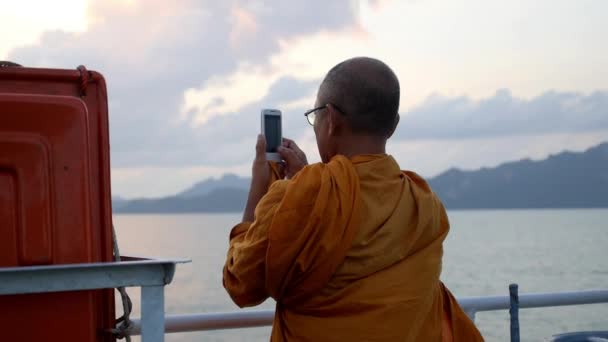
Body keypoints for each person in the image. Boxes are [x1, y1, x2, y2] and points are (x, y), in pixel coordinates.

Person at [223, 57, 483, 341]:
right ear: (393, 125)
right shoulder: (424, 203)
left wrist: (259, 188)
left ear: (331, 120)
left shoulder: (297, 198)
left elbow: (240, 283)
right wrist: (309, 183)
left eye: (315, 116)